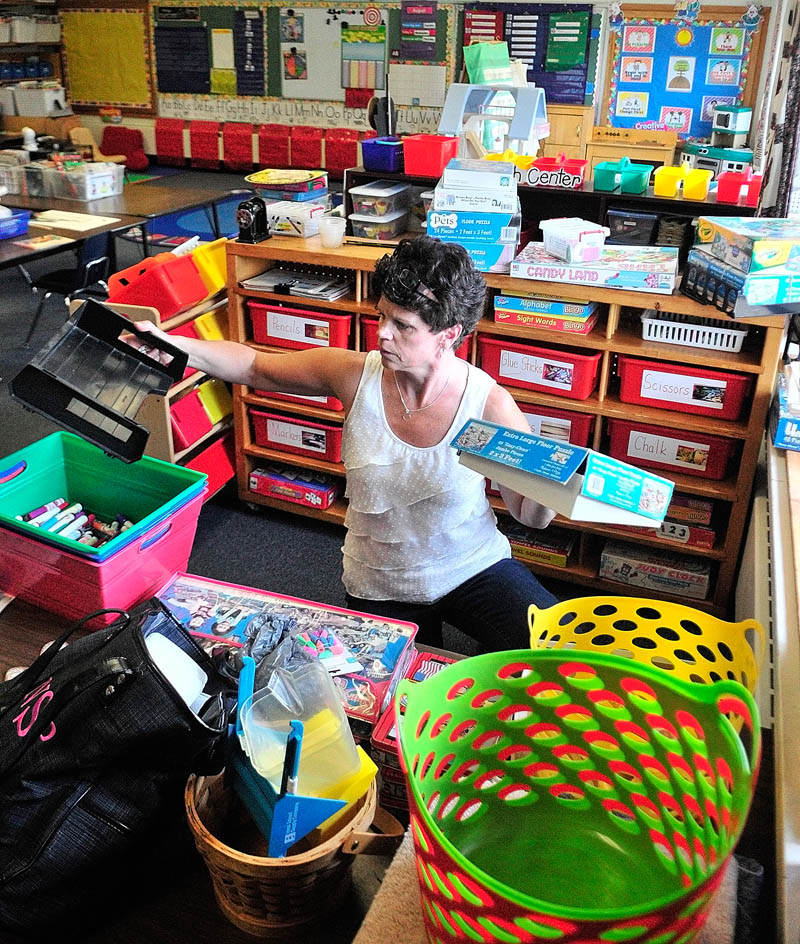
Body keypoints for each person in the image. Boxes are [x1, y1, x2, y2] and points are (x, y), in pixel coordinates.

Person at [133, 235, 558, 651]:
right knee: (393, 703)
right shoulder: (355, 376)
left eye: (403, 326)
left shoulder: (488, 405)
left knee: (564, 654)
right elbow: (255, 366)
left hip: (473, 568)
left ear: (449, 333)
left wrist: (554, 485)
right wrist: (173, 345)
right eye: (383, 317)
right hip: (380, 581)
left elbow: (530, 515)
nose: (383, 335)